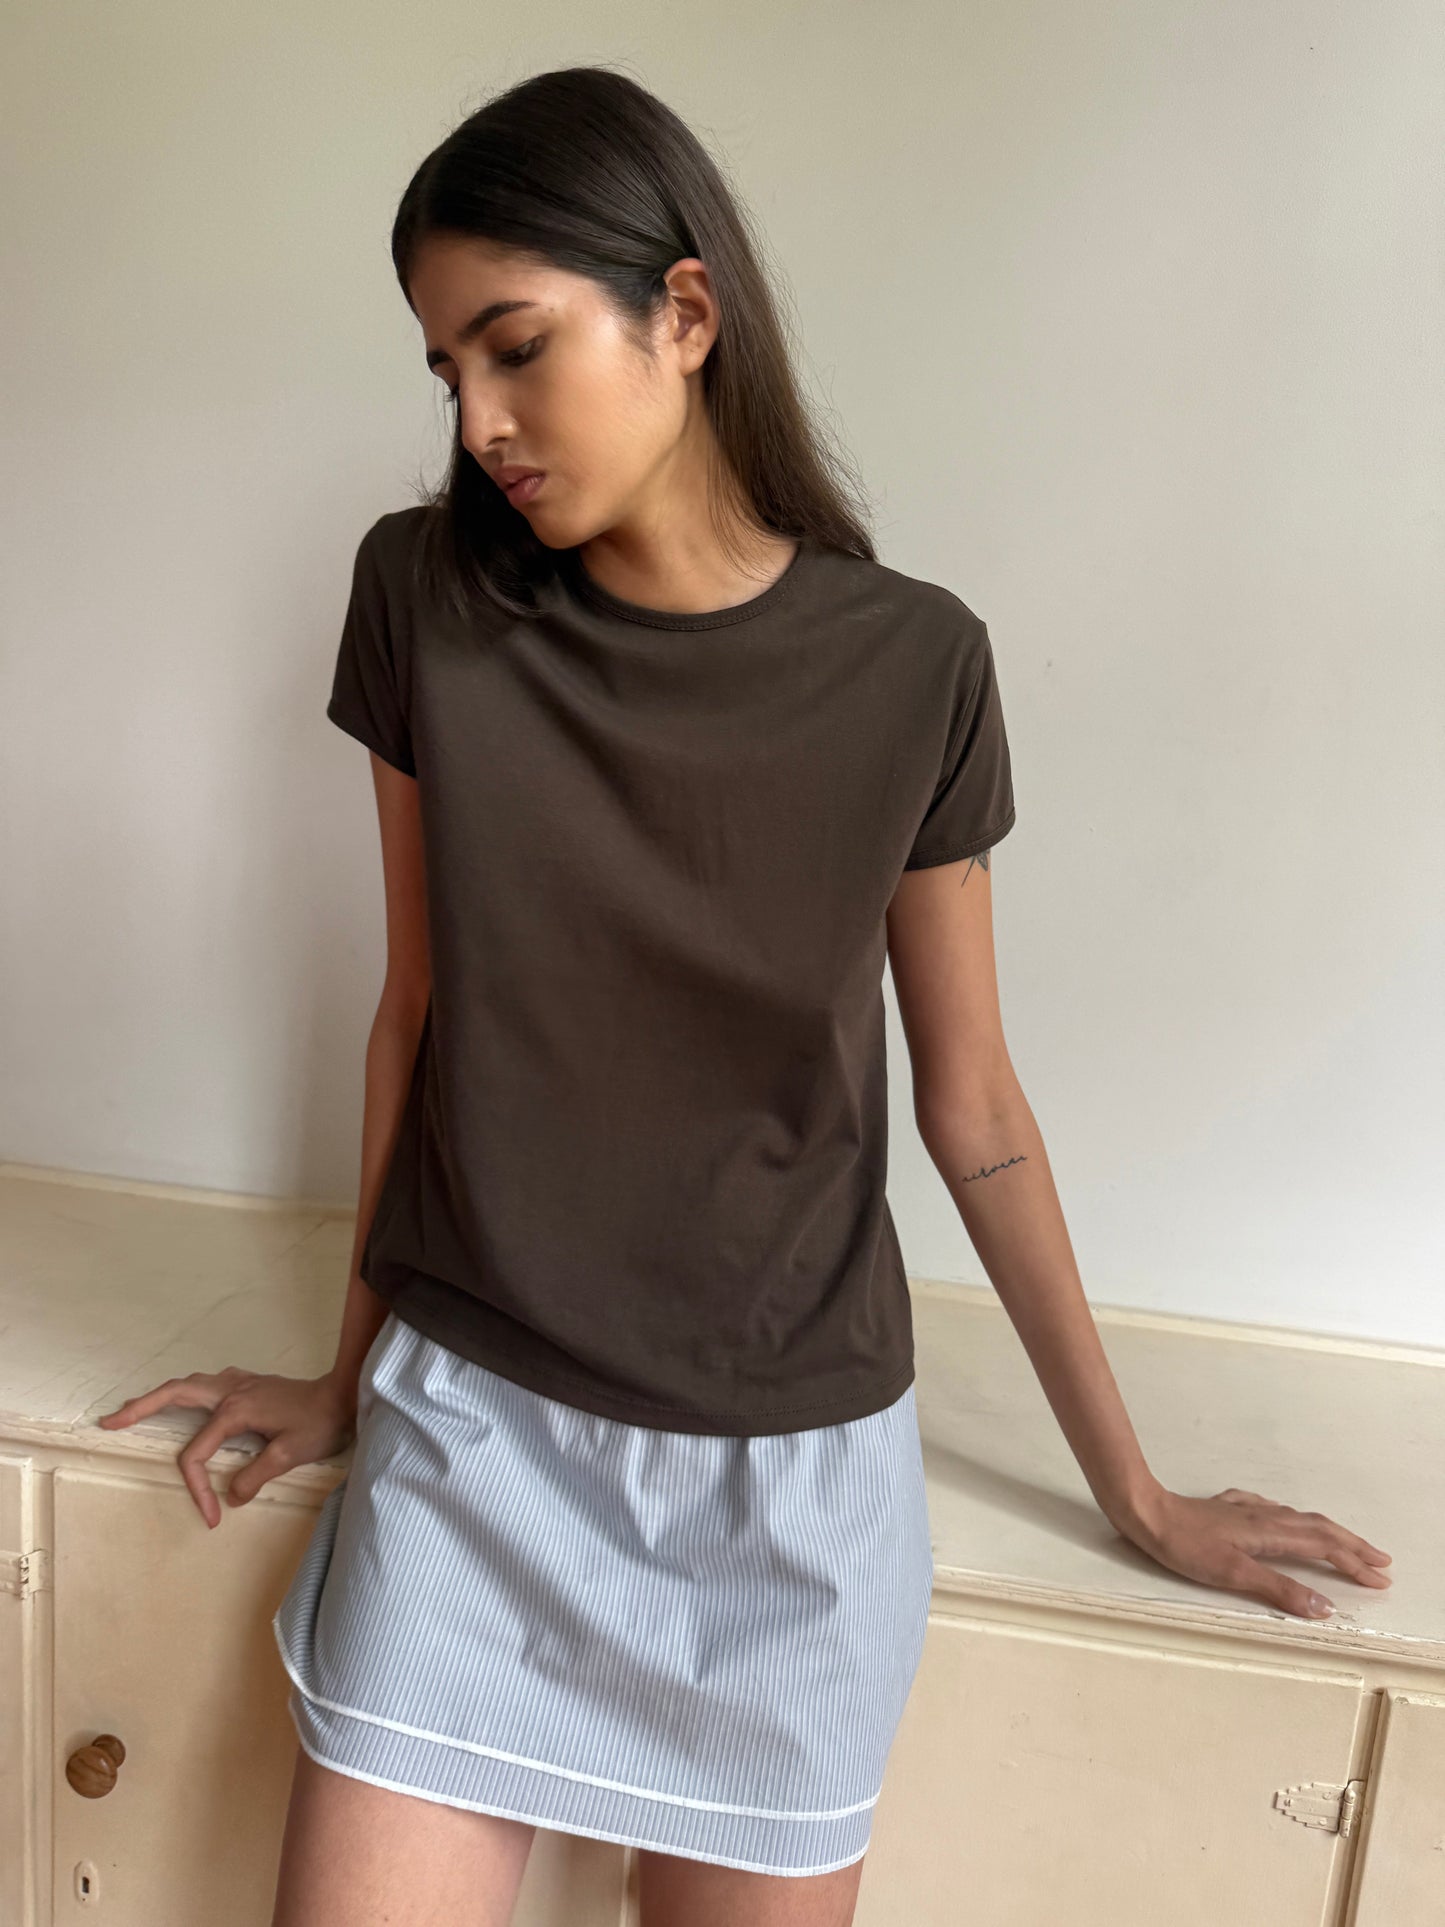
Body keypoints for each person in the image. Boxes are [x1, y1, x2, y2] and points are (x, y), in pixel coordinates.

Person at [98, 62, 1393, 1927]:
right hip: (475, 1443)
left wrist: (1140, 1488)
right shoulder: (426, 604)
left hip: (791, 1507)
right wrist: (345, 1368)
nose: (477, 423)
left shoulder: (913, 666)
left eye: (515, 348)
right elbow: (421, 1011)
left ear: (683, 315)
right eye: (445, 372)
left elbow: (975, 1110)